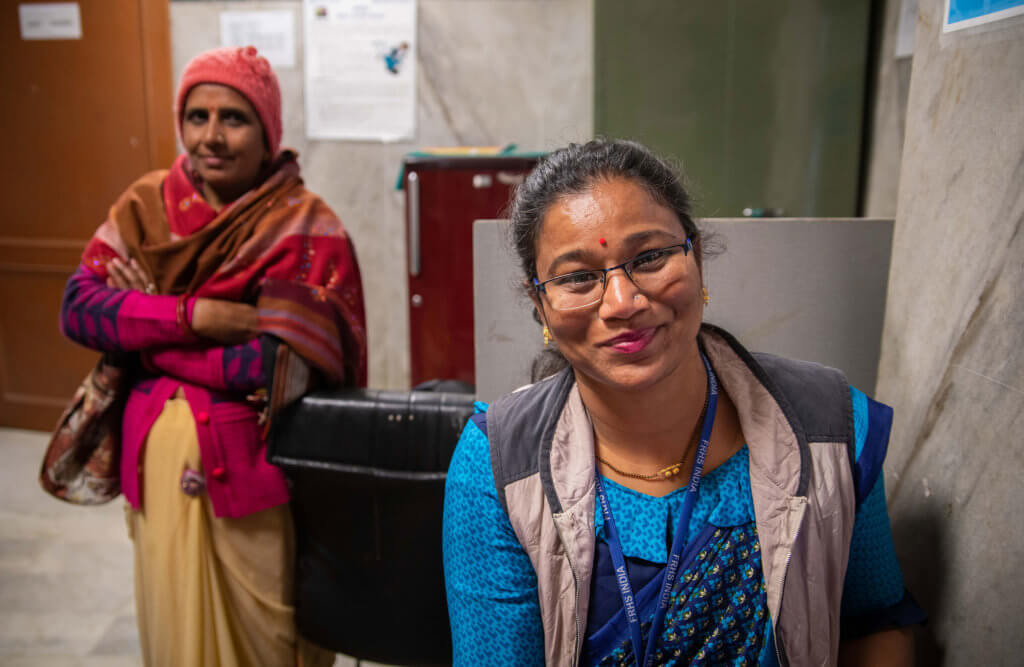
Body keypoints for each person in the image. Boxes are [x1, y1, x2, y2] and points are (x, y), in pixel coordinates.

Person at [442, 139, 925, 666]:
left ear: (697, 260)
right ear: (541, 307)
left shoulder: (829, 427)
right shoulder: (497, 466)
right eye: (578, 277)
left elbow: (877, 623)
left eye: (649, 257)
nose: (623, 302)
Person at [59, 46, 366, 666]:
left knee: (270, 641)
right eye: (197, 116)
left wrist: (146, 339)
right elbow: (79, 309)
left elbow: (277, 367)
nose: (211, 137)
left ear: (267, 130)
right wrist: (192, 317)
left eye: (234, 117)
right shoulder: (146, 206)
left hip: (258, 479)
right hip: (154, 470)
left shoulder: (307, 227)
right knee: (175, 634)